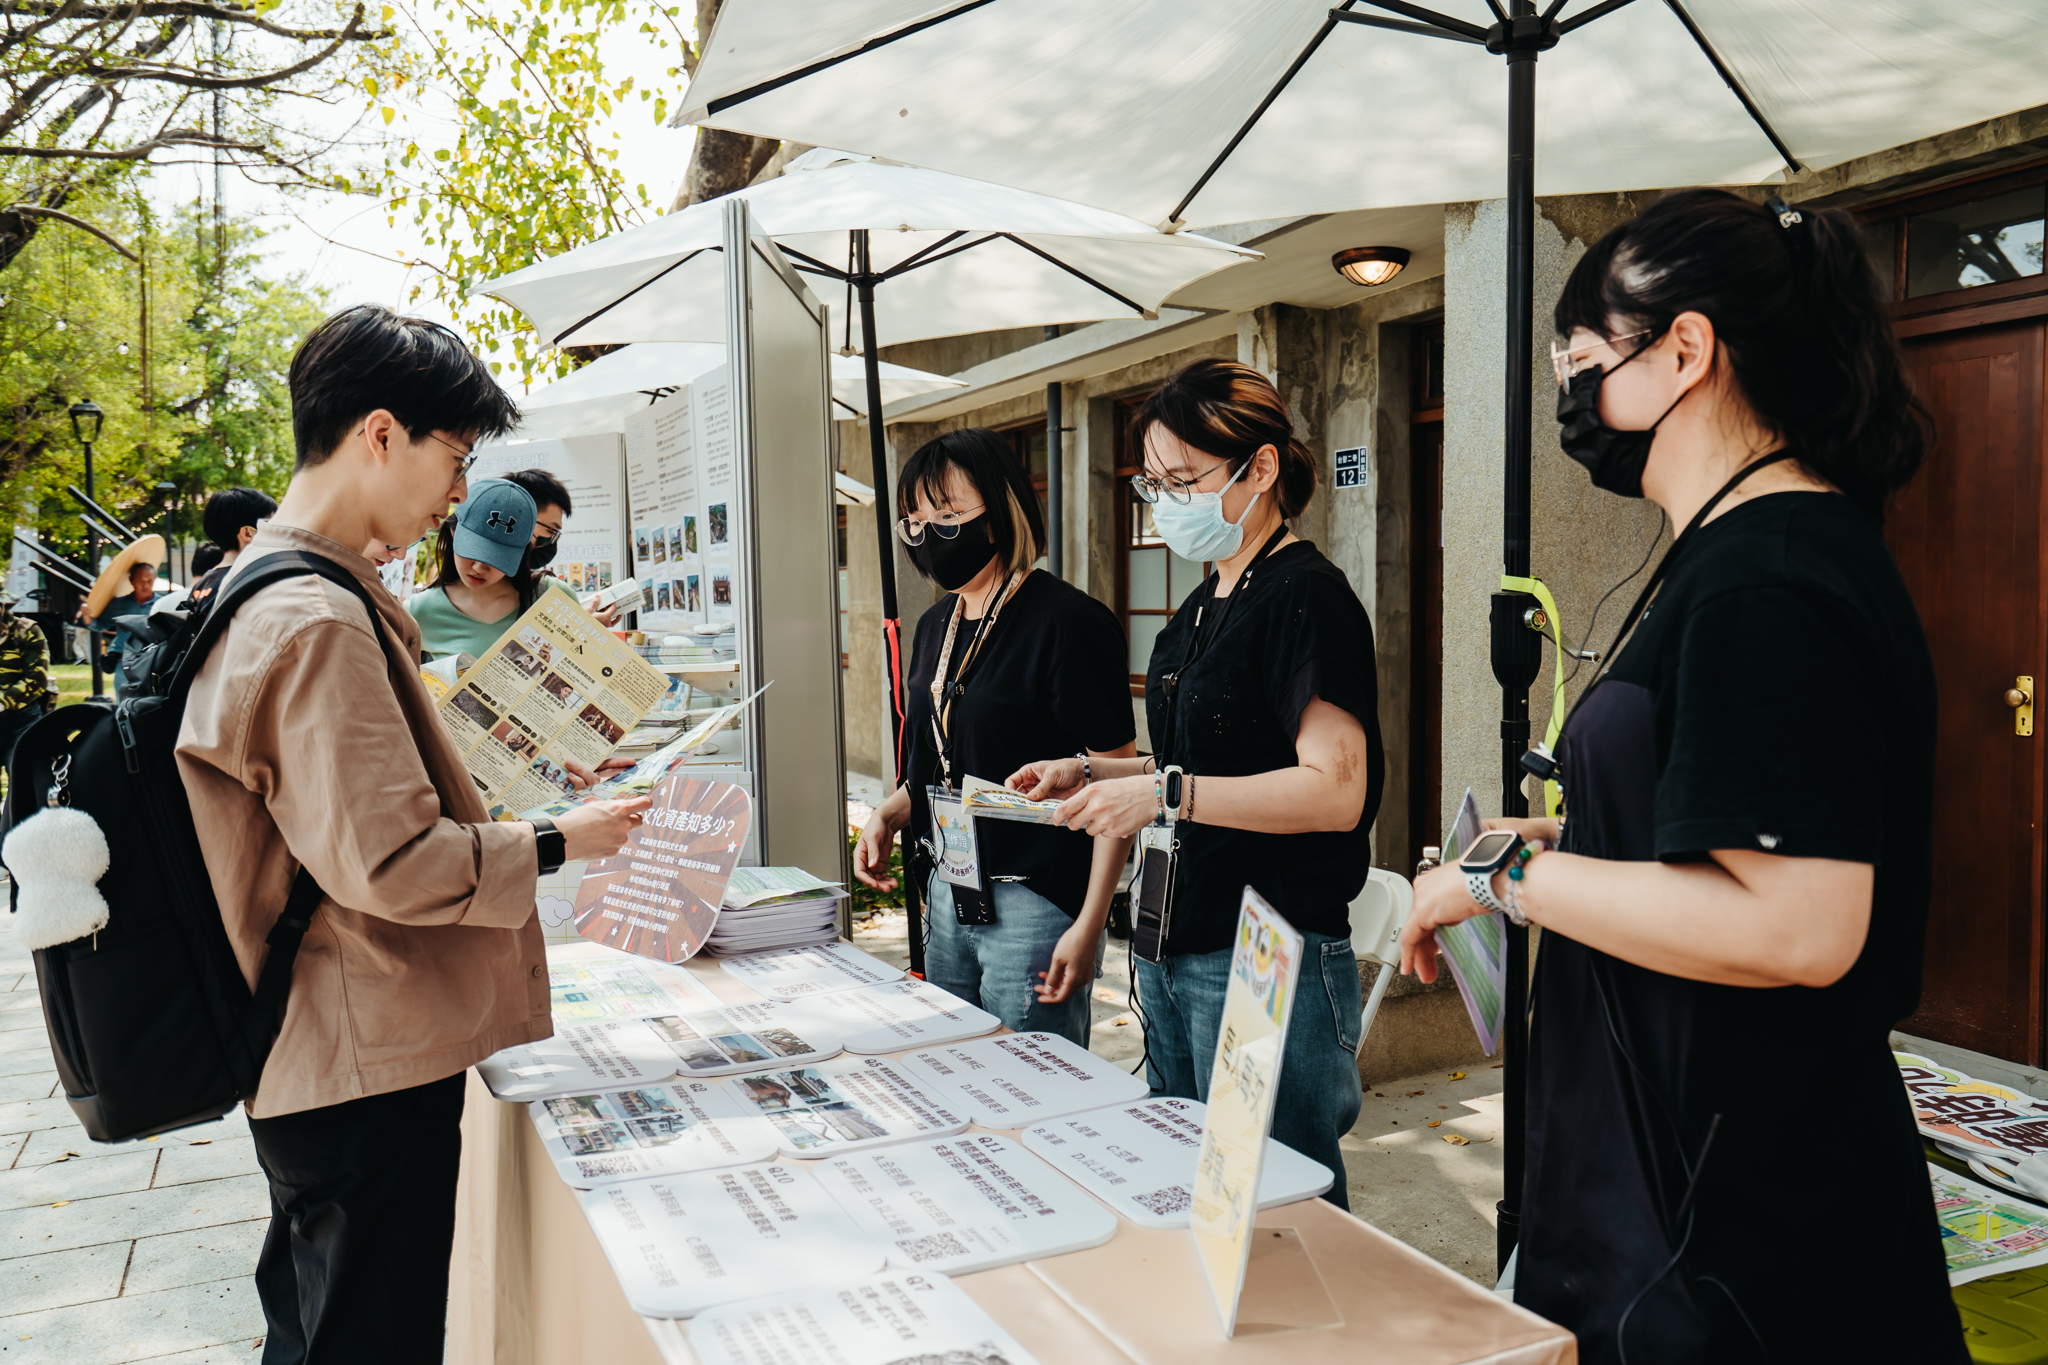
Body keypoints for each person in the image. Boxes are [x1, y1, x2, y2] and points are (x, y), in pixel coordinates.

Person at [1398, 190, 1963, 1363]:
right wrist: (1507, 855)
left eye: (1580, 362)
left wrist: (1511, 886)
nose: (1570, 398)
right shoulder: (1729, 553)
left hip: (1739, 1237)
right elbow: (1686, 840)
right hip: (1674, 1196)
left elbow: (1798, 925)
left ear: (1685, 349)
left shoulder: (1770, 577)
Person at [175, 303, 650, 1363]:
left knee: (320, 1328)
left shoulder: (284, 588)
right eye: (455, 455)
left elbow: (350, 812)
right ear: (380, 433)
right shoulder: (315, 618)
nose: (458, 492)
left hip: (325, 1048)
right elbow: (387, 861)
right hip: (357, 1062)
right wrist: (559, 843)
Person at [1009, 359, 1383, 1201]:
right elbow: (1205, 758)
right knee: (1198, 1191)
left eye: (1184, 479)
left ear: (1261, 468)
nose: (1166, 500)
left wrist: (1165, 794)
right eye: (1155, 481)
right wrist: (1095, 769)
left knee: (1280, 1201)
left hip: (1263, 950)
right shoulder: (1205, 601)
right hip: (1175, 943)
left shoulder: (1307, 597)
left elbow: (1334, 789)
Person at [853, 430, 1136, 1045]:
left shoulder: (1069, 623)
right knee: (955, 1069)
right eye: (915, 521)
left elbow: (1118, 778)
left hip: (1035, 901)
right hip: (950, 884)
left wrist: (1091, 923)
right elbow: (942, 761)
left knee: (1036, 1083)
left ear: (1001, 510)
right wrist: (892, 813)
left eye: (948, 516)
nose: (929, 535)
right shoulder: (935, 625)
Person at [404, 477, 540, 660]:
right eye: (473, 552)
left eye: (496, 559)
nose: (479, 568)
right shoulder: (419, 611)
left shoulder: (552, 598)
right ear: (453, 532)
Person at [189, 486, 278, 602]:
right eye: (269, 523)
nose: (276, 529)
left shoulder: (201, 585)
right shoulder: (251, 580)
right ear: (247, 533)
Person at [0, 592, 56, 765]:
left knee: (22, 780)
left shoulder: (25, 630)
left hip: (21, 719)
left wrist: (3, 701)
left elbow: (38, 679)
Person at [93, 561, 157, 699]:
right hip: (124, 664)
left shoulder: (161, 604)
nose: (145, 585)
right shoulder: (118, 604)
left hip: (152, 663)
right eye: (141, 581)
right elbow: (98, 625)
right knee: (123, 706)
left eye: (149, 581)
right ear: (131, 580)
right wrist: (87, 616)